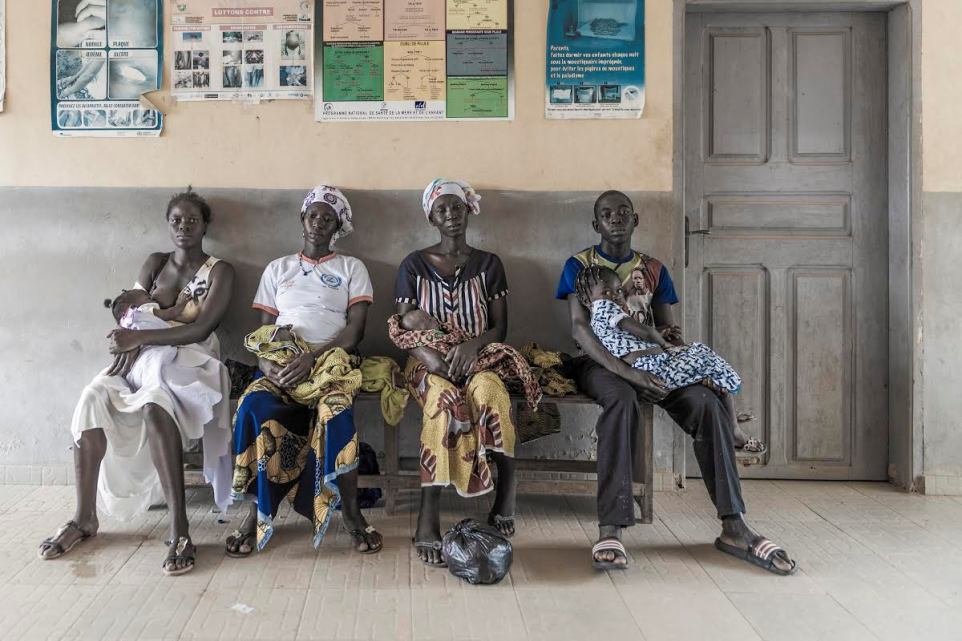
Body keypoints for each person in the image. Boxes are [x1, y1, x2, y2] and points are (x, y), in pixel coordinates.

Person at [557, 190, 795, 575]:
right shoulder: (579, 265)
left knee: (705, 401)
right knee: (621, 400)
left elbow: (665, 327)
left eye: (623, 213)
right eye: (606, 214)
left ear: (636, 220)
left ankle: (734, 525)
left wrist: (673, 349)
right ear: (595, 223)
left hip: (651, 360)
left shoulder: (654, 268)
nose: (615, 219)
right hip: (600, 363)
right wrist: (630, 373)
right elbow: (581, 331)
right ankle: (610, 528)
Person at [38, 188, 236, 577]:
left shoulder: (220, 271)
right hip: (139, 358)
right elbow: (128, 311)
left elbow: (201, 327)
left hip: (190, 360)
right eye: (176, 220)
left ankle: (180, 528)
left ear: (206, 225)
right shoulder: (155, 263)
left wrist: (143, 334)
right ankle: (84, 517)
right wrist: (127, 332)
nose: (183, 227)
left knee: (156, 405)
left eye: (192, 220)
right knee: (92, 398)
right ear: (168, 223)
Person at [227, 185, 383, 557]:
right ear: (302, 220)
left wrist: (312, 358)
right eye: (313, 215)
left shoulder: (351, 268)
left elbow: (355, 330)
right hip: (281, 363)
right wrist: (267, 364)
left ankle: (352, 514)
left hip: (330, 362)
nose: (319, 223)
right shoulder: (277, 268)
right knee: (252, 408)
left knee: (336, 413)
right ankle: (256, 511)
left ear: (337, 227)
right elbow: (262, 332)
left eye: (328, 218)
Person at [395, 179, 519, 567]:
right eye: (442, 210)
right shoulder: (413, 265)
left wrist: (471, 347)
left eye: (457, 208)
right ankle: (427, 513)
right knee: (444, 401)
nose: (451, 215)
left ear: (469, 211)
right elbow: (401, 326)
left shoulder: (489, 264)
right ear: (431, 216)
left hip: (479, 355)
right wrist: (431, 357)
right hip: (426, 361)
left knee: (491, 395)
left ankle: (506, 491)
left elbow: (500, 328)